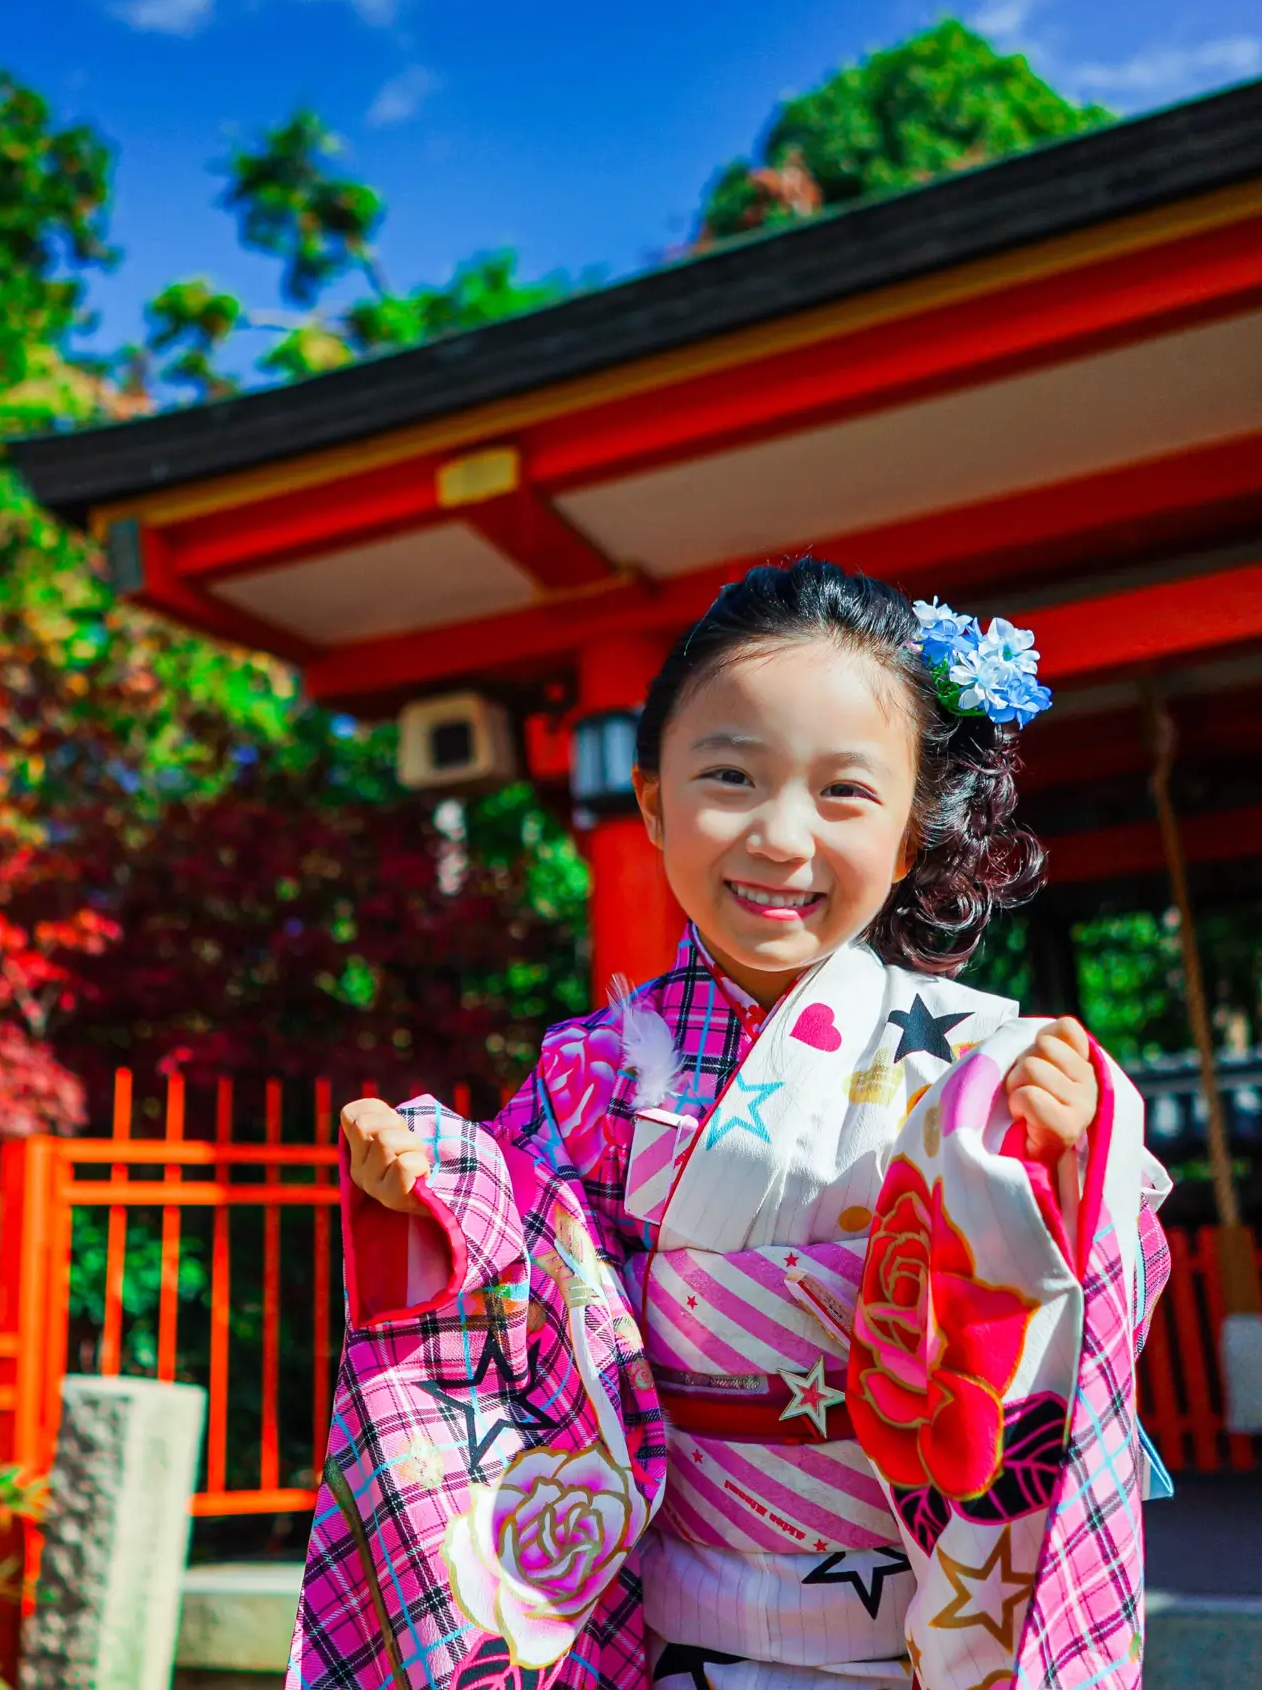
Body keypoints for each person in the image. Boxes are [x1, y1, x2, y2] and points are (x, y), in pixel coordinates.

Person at [292, 558, 1172, 1690]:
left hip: (915, 1625)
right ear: (654, 805)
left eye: (844, 794)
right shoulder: (593, 1069)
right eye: (729, 778)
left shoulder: (981, 1069)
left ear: (910, 837)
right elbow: (521, 1286)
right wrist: (436, 1186)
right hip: (675, 1625)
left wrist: (1066, 1170)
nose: (779, 838)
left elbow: (1093, 1321)